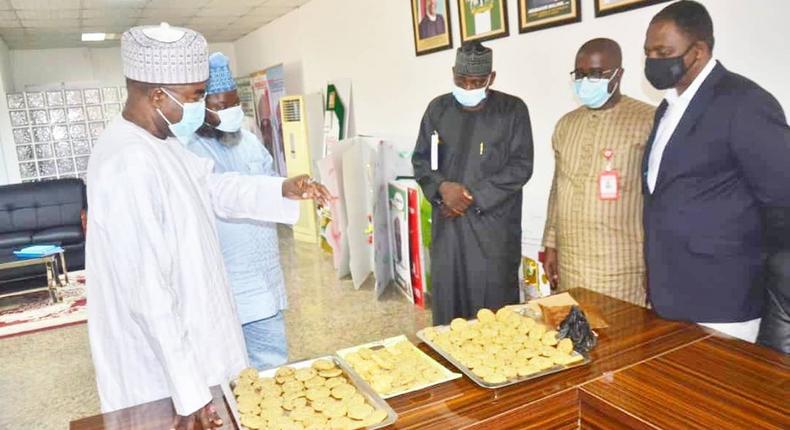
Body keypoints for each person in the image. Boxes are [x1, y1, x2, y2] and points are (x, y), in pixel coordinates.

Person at [86, 24, 330, 429]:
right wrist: (191, 392)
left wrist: (283, 188)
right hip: (160, 376)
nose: (201, 107)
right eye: (196, 96)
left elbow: (213, 188)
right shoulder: (127, 162)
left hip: (197, 347)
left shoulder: (163, 145)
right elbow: (147, 294)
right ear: (158, 95)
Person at [642, 1, 790, 342]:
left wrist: (753, 261)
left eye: (663, 51)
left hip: (723, 296)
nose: (652, 61)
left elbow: (782, 197)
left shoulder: (744, 102)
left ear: (699, 50)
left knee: (722, 392)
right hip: (669, 292)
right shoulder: (668, 108)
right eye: (648, 52)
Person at [412, 41, 534, 325]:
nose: (468, 88)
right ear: (453, 73)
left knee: (493, 312)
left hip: (492, 229)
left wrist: (470, 196)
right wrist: (443, 189)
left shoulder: (512, 110)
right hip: (448, 228)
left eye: (477, 82)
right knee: (448, 309)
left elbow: (520, 166)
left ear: (491, 78)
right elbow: (422, 161)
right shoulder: (437, 109)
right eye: (461, 81)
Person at [187, 52, 291, 370]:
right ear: (199, 109)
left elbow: (271, 186)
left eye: (234, 104)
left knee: (273, 365)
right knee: (231, 373)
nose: (228, 113)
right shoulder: (188, 150)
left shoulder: (248, 142)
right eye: (218, 107)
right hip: (227, 280)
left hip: (265, 273)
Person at [542, 38, 653, 306]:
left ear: (619, 74)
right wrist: (551, 244)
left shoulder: (648, 120)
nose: (585, 81)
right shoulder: (566, 125)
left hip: (622, 267)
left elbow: (661, 198)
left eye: (594, 73)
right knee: (573, 338)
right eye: (579, 74)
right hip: (571, 264)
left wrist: (658, 263)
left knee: (621, 342)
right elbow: (558, 187)